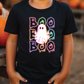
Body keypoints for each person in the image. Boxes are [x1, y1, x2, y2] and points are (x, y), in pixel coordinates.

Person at [4, 0, 79, 84]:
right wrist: (10, 71)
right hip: (24, 77)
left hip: (53, 78)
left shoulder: (64, 10)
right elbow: (12, 41)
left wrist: (65, 72)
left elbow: (68, 41)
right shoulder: (17, 10)